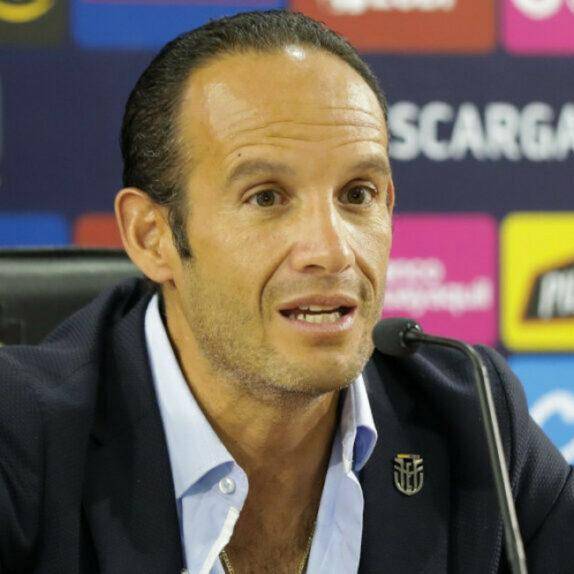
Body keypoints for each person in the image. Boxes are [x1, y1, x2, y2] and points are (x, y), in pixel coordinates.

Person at [1, 10, 573, 574]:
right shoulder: (19, 438)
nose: (332, 250)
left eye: (357, 194)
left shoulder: (475, 418)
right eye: (267, 198)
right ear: (153, 237)